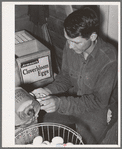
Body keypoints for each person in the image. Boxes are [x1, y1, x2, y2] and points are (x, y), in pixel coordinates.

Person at [31, 7, 118, 144]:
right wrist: (48, 91)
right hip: (74, 99)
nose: (70, 46)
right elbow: (65, 77)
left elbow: (97, 101)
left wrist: (60, 103)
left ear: (93, 37)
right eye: (68, 40)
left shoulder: (110, 58)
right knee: (44, 122)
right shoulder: (71, 44)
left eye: (76, 42)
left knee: (86, 141)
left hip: (97, 108)